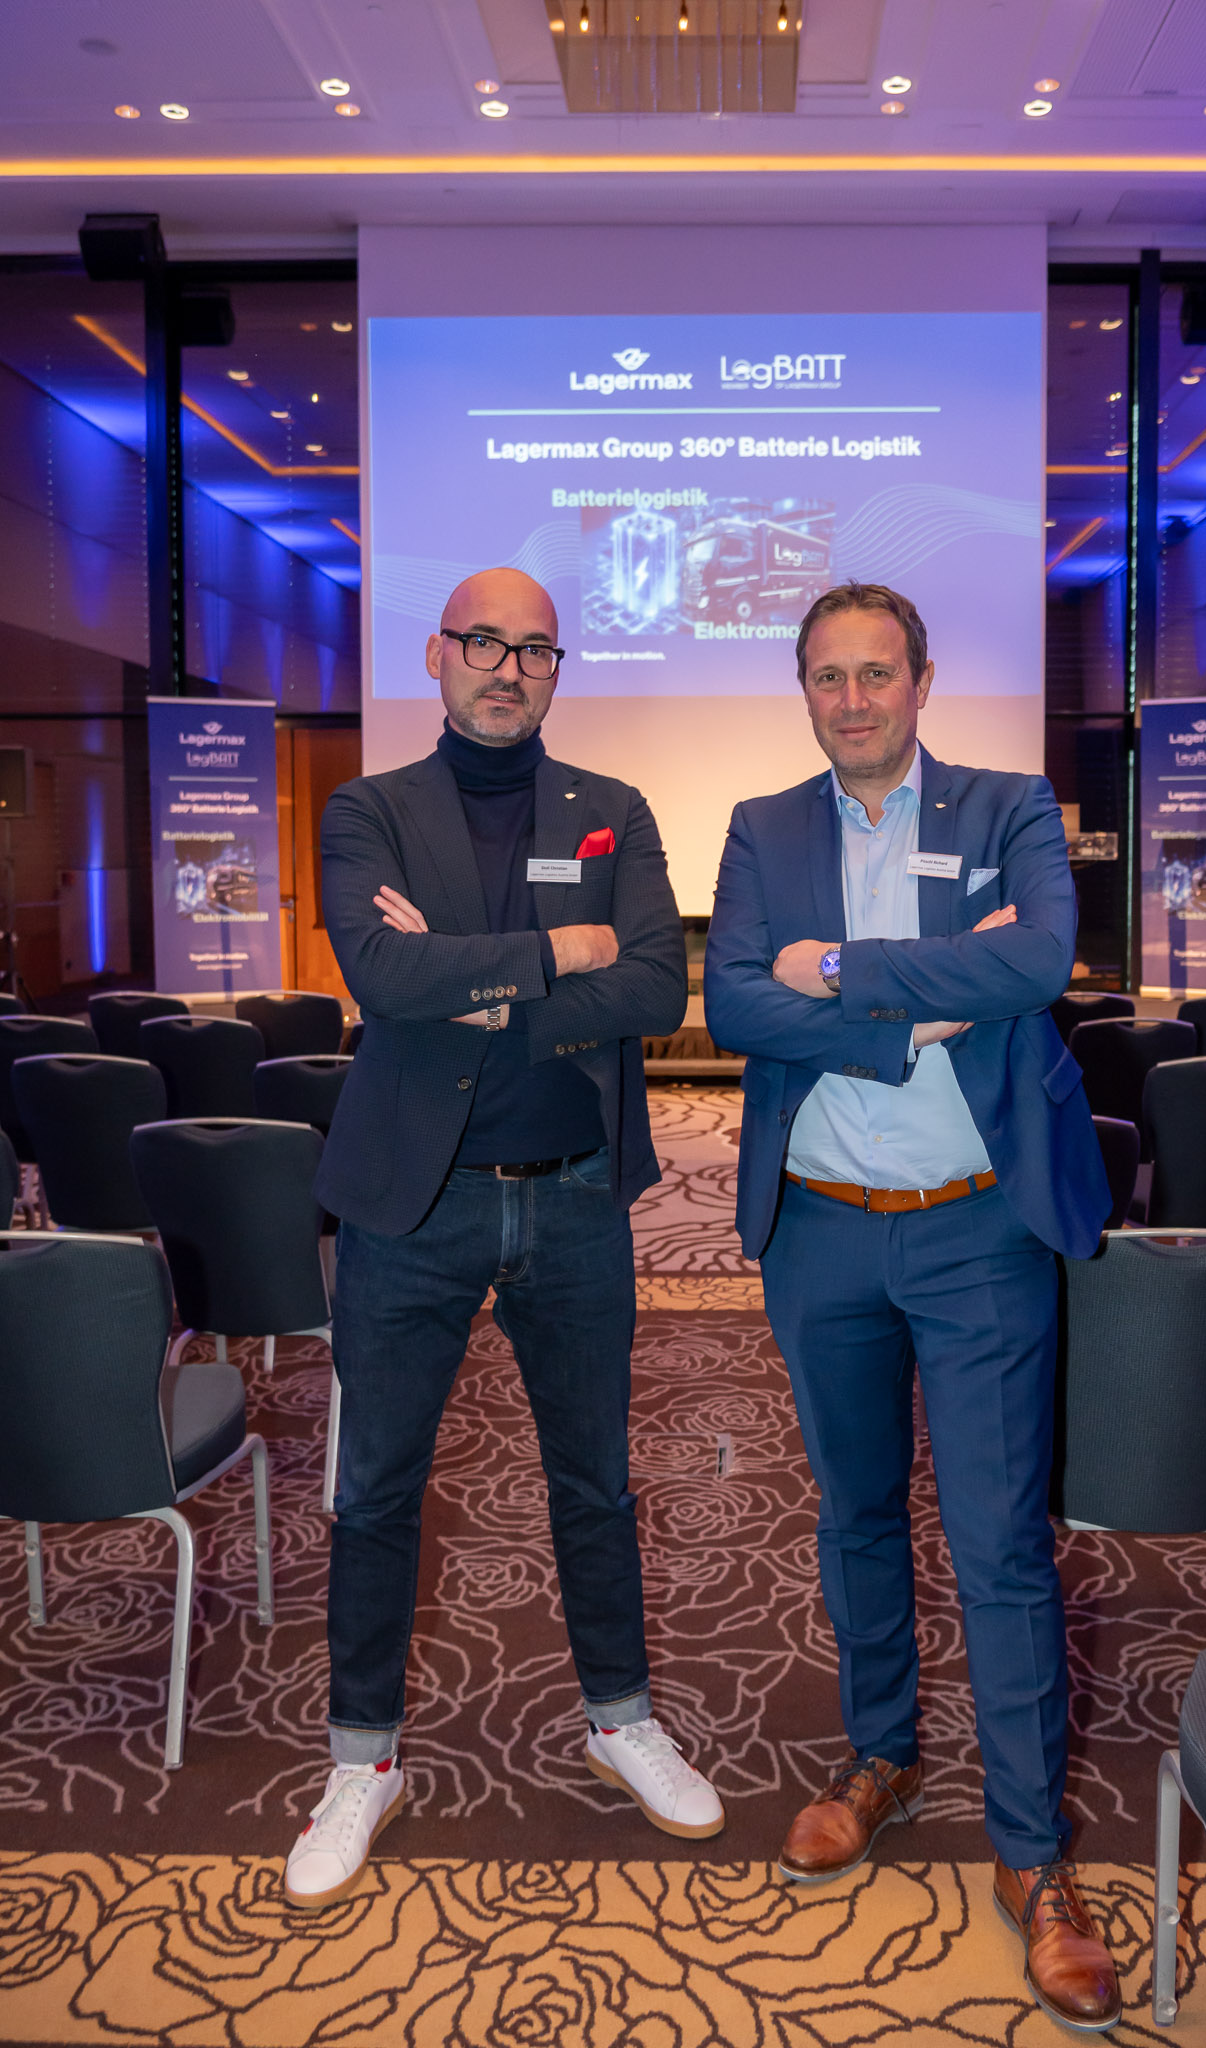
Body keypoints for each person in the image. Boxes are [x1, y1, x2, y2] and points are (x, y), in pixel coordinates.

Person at [704, 582, 1120, 2032]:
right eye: (830, 676)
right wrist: (912, 1025)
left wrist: (848, 975)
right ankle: (879, 1756)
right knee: (855, 1514)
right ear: (804, 691)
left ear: (924, 681)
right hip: (820, 1234)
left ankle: (1031, 1856)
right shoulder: (765, 828)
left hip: (976, 1234)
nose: (856, 698)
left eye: (879, 673)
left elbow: (1032, 961)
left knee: (1000, 1540)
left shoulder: (1010, 807)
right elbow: (736, 1004)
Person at [284, 566, 724, 1911]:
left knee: (595, 1483)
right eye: (486, 642)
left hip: (577, 1193)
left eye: (536, 649)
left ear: (556, 668)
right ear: (438, 654)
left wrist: (474, 979)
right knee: (377, 1493)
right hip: (412, 1208)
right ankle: (364, 1756)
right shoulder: (367, 810)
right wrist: (555, 953)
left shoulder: (616, 810)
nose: (510, 667)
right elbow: (381, 978)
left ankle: (618, 1716)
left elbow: (655, 983)